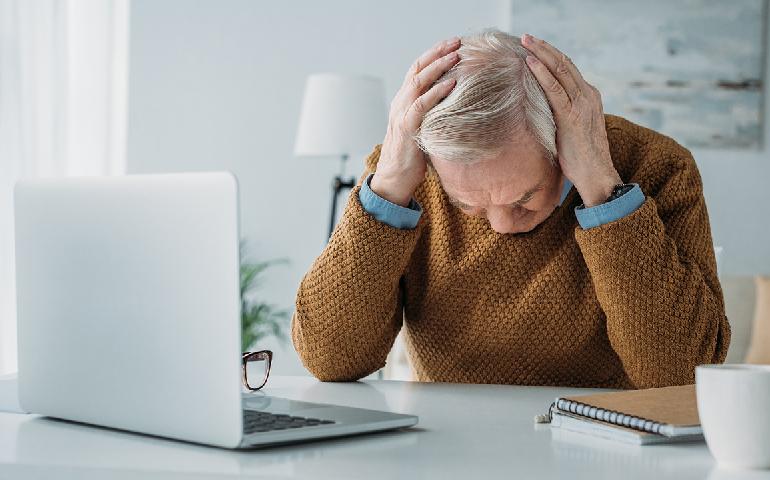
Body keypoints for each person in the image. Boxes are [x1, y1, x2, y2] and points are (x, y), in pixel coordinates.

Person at [291, 28, 730, 389]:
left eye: (523, 199)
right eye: (468, 205)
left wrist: (602, 188)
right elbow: (330, 359)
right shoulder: (404, 176)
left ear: (562, 141)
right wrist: (386, 191)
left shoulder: (658, 167)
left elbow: (682, 377)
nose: (500, 225)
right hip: (445, 446)